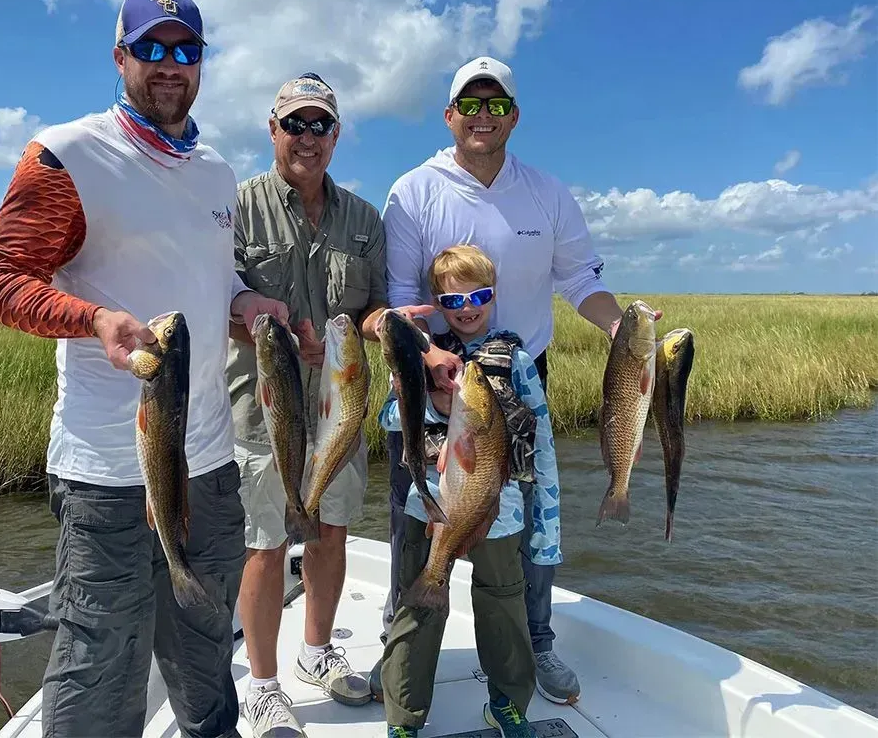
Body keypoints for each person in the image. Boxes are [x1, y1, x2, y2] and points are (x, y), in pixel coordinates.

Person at [0, 0, 288, 738]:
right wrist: (93, 320)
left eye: (185, 50)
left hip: (210, 465)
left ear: (201, 63)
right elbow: (1, 283)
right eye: (151, 48)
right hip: (107, 472)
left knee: (205, 638)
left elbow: (210, 282)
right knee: (99, 658)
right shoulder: (67, 153)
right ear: (120, 57)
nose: (168, 65)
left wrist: (245, 306)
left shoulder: (215, 171)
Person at [378, 55, 632, 707]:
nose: (482, 116)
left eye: (496, 105)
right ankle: (401, 643)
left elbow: (580, 280)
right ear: (449, 115)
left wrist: (620, 331)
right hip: (434, 383)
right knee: (418, 522)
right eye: (471, 103)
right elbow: (401, 298)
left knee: (522, 524)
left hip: (520, 382)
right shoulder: (413, 190)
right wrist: (431, 365)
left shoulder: (546, 193)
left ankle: (536, 641)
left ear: (514, 117)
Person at [226, 72, 416, 738]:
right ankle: (264, 684)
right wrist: (262, 327)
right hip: (262, 408)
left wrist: (388, 324)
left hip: (340, 409)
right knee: (265, 544)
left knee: (332, 530)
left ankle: (315, 654)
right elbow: (212, 296)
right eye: (296, 124)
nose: (309, 138)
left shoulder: (363, 220)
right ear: (272, 129)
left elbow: (366, 310)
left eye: (321, 125)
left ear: (336, 135)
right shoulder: (236, 205)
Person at [378, 243, 558, 738]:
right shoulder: (421, 356)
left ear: (494, 295)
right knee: (417, 609)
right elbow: (389, 419)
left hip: (499, 514)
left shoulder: (516, 362)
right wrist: (433, 401)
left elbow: (541, 443)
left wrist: (548, 528)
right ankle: (404, 717)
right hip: (428, 508)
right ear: (437, 304)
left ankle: (507, 703)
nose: (467, 309)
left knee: (504, 607)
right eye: (452, 301)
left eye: (477, 295)